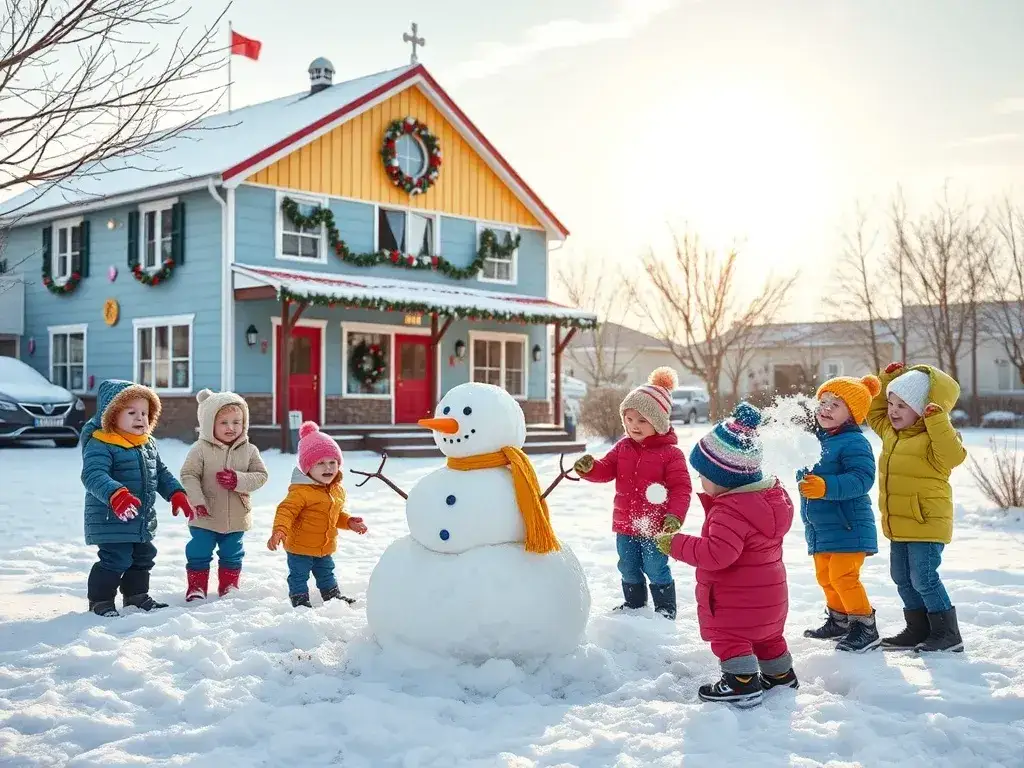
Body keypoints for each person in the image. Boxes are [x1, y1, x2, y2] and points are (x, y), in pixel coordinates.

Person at [656, 402, 797, 707]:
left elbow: (717, 555)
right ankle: (781, 676)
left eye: (703, 476)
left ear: (723, 478)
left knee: (731, 638)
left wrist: (675, 544)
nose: (700, 483)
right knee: (768, 638)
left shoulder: (729, 511)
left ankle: (741, 683)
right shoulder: (769, 501)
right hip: (771, 603)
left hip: (736, 604)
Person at [574, 368, 691, 619]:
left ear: (658, 423)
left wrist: (674, 516)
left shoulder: (671, 455)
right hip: (625, 523)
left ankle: (665, 608)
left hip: (656, 526)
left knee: (655, 566)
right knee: (627, 565)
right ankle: (634, 604)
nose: (633, 426)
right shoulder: (623, 447)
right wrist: (590, 468)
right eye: (629, 419)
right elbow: (606, 470)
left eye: (642, 420)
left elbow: (682, 489)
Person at [867, 363, 967, 653]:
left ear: (924, 409)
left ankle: (948, 634)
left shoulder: (935, 438)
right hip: (899, 523)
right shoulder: (890, 432)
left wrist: (937, 421)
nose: (893, 411)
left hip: (926, 521)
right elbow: (872, 413)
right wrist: (886, 380)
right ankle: (918, 628)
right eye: (891, 403)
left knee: (923, 577)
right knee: (901, 577)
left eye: (903, 405)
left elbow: (954, 456)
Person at [81, 379, 193, 617]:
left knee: (143, 556)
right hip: (111, 517)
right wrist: (115, 494)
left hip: (140, 518)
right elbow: (92, 475)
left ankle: (136, 596)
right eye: (131, 412)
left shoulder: (147, 444)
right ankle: (100, 601)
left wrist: (176, 493)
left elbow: (160, 472)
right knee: (116, 558)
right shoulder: (101, 444)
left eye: (144, 412)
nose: (140, 418)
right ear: (111, 415)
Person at [798, 374, 881, 652]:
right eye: (823, 401)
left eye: (835, 404)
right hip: (821, 526)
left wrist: (825, 487)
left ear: (852, 414)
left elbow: (862, 479)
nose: (825, 407)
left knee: (843, 576)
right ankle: (839, 619)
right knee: (825, 576)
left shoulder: (854, 443)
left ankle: (864, 626)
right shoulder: (816, 441)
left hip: (849, 526)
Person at [179, 389, 269, 601]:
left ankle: (229, 586)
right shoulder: (199, 449)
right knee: (199, 550)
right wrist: (197, 501)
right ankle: (196, 587)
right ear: (210, 424)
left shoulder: (249, 450)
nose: (231, 428)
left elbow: (261, 475)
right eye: (224, 423)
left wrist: (239, 480)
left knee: (232, 553)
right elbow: (189, 475)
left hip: (236, 515)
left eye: (236, 422)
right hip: (204, 513)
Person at [267, 421, 368, 607]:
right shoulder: (301, 492)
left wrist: (350, 522)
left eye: (332, 462)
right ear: (307, 468)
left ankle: (332, 595)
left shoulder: (336, 491)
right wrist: (280, 530)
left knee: (326, 572)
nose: (328, 468)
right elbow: (286, 511)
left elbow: (335, 515)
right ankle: (299, 599)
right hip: (299, 547)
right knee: (299, 575)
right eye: (320, 463)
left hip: (324, 546)